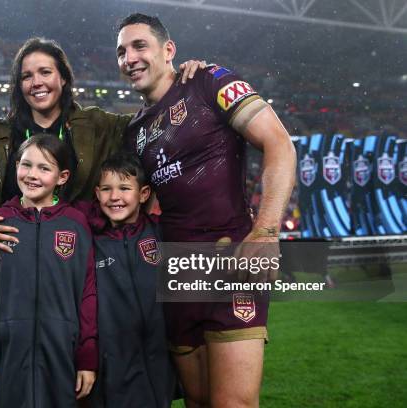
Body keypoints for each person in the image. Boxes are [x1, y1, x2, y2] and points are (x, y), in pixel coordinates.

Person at [116, 13, 296, 408]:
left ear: (169, 50)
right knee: (196, 401)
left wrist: (266, 232)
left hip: (232, 259)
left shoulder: (210, 80)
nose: (129, 57)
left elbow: (280, 144)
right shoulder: (133, 132)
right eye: (121, 51)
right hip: (177, 273)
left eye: (139, 46)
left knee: (233, 404)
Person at [0, 37, 205, 255]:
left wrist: (182, 83)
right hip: (12, 260)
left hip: (79, 262)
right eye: (26, 76)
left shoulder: (98, 125)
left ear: (63, 78)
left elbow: (152, 123)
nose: (36, 82)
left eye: (45, 72)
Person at [0, 134, 97, 407]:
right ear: (16, 168)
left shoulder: (76, 224)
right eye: (26, 165)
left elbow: (88, 294)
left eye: (44, 168)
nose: (32, 175)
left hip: (63, 355)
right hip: (8, 355)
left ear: (62, 177)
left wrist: (87, 356)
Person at [88, 152, 175, 407]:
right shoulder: (91, 240)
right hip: (111, 361)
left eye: (125, 188)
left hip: (159, 356)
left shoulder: (162, 232)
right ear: (96, 193)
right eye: (106, 189)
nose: (115, 197)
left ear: (144, 194)